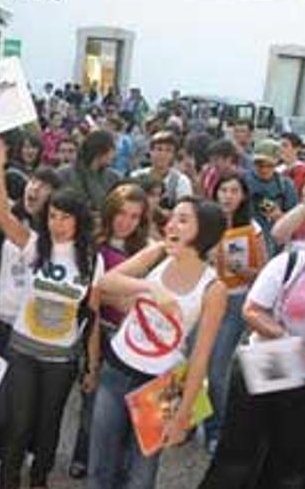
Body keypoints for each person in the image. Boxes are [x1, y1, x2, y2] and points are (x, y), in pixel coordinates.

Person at [199, 200, 305, 489]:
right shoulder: (289, 263)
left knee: (292, 461)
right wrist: (286, 340)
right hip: (271, 360)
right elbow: (252, 310)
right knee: (240, 451)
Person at [0, 130, 102, 489]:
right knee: (17, 427)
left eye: (65, 217)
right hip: (22, 351)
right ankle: (8, 482)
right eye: (53, 216)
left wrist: (92, 366)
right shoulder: (35, 246)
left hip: (61, 361)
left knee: (47, 428)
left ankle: (38, 481)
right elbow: (2, 215)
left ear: (78, 220)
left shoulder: (92, 260)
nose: (57, 223)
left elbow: (93, 319)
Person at [90, 196, 227, 489]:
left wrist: (182, 415)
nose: (171, 224)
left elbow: (201, 358)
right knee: (101, 465)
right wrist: (150, 287)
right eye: (172, 217)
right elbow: (105, 282)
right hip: (116, 368)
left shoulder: (213, 288)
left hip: (163, 386)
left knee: (141, 476)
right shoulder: (157, 253)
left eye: (183, 219)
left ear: (204, 231)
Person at [68, 182, 152, 479]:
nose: (125, 222)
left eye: (134, 216)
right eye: (121, 213)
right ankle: (84, 455)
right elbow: (91, 293)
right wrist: (119, 297)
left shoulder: (146, 251)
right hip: (97, 333)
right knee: (93, 402)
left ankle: (119, 465)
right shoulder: (92, 244)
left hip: (133, 337)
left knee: (127, 408)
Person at [0, 165, 62, 475]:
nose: (35, 189)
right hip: (4, 320)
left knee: (33, 397)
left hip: (36, 328)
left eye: (44, 186)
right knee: (1, 394)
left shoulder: (58, 236)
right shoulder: (10, 223)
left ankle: (29, 446)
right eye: (33, 182)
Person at [203, 172, 268, 451]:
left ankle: (218, 429)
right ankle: (194, 418)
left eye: (234, 191)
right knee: (193, 362)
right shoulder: (204, 221)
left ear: (242, 196)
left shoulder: (251, 228)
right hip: (202, 301)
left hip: (233, 303)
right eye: (223, 190)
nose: (227, 196)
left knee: (217, 370)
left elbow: (264, 273)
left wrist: (236, 267)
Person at [244, 139, 299, 254]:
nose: (264, 169)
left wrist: (280, 216)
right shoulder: (242, 181)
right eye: (259, 164)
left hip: (273, 243)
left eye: (269, 165)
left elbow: (295, 219)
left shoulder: (285, 185)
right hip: (245, 239)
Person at [59, 129, 120, 211]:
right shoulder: (64, 174)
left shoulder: (113, 177)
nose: (114, 154)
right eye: (113, 149)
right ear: (101, 151)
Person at [131, 131, 192, 213]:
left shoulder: (181, 181)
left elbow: (184, 211)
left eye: (168, 150)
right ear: (151, 151)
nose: (163, 154)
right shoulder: (136, 176)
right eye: (159, 149)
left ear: (173, 155)